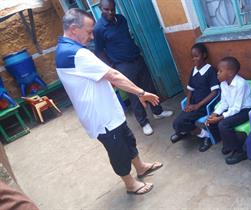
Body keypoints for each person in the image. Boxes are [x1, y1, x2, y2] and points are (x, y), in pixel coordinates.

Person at [55, 8, 163, 195]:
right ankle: (130, 184)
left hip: (108, 111)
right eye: (89, 32)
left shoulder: (66, 49)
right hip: (101, 117)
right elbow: (113, 75)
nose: (91, 37)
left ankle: (141, 167)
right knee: (118, 151)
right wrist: (141, 92)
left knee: (128, 140)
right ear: (74, 29)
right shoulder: (75, 54)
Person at [93, 0, 173, 136]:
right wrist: (112, 66)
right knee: (134, 94)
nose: (110, 12)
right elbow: (100, 52)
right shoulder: (99, 29)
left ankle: (157, 111)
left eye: (112, 9)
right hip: (122, 66)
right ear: (101, 8)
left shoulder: (122, 19)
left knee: (149, 87)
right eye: (106, 10)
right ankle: (144, 122)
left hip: (137, 58)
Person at [205, 57, 251, 164]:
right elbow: (224, 103)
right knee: (210, 120)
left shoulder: (241, 83)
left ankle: (240, 151)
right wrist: (214, 114)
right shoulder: (223, 83)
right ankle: (228, 144)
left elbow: (237, 108)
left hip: (246, 109)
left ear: (231, 73)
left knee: (223, 124)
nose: (217, 73)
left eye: (220, 71)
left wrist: (220, 117)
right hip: (234, 108)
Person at [170, 43, 219, 152]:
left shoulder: (210, 70)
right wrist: (187, 103)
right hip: (193, 104)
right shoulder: (194, 70)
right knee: (176, 123)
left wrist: (198, 105)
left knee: (180, 123)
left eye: (196, 56)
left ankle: (205, 135)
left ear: (204, 55)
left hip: (204, 105)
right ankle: (184, 131)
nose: (194, 59)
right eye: (192, 57)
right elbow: (190, 90)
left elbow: (214, 92)